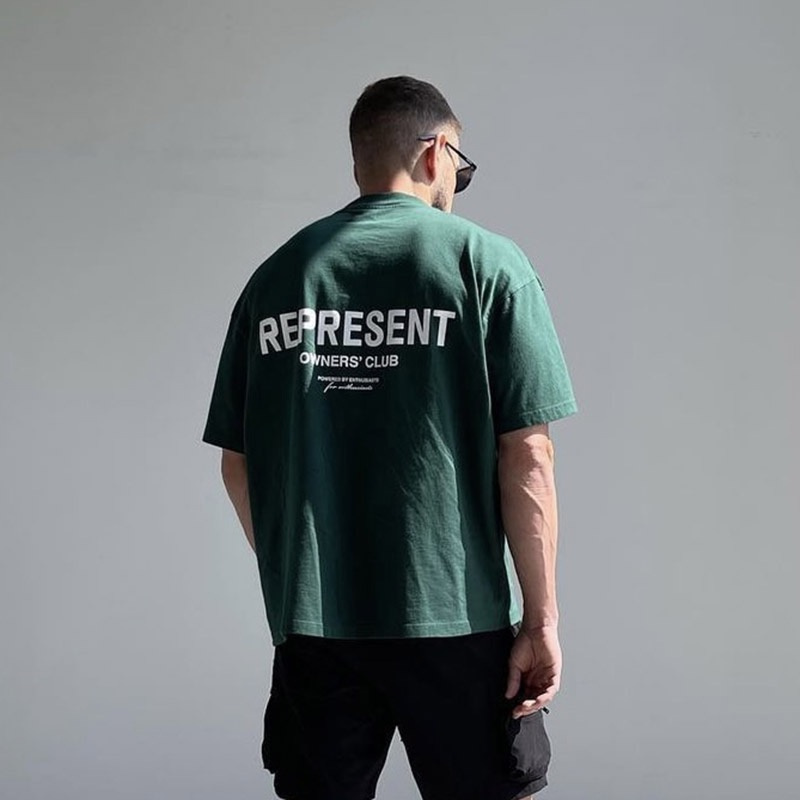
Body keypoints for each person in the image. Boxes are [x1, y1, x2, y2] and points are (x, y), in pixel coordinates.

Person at [202, 75, 578, 800]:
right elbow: (528, 455)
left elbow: (237, 464)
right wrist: (541, 620)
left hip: (317, 626)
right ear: (436, 154)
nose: (456, 185)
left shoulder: (277, 279)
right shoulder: (488, 265)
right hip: (459, 620)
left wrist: (300, 575)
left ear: (359, 160)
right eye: (460, 168)